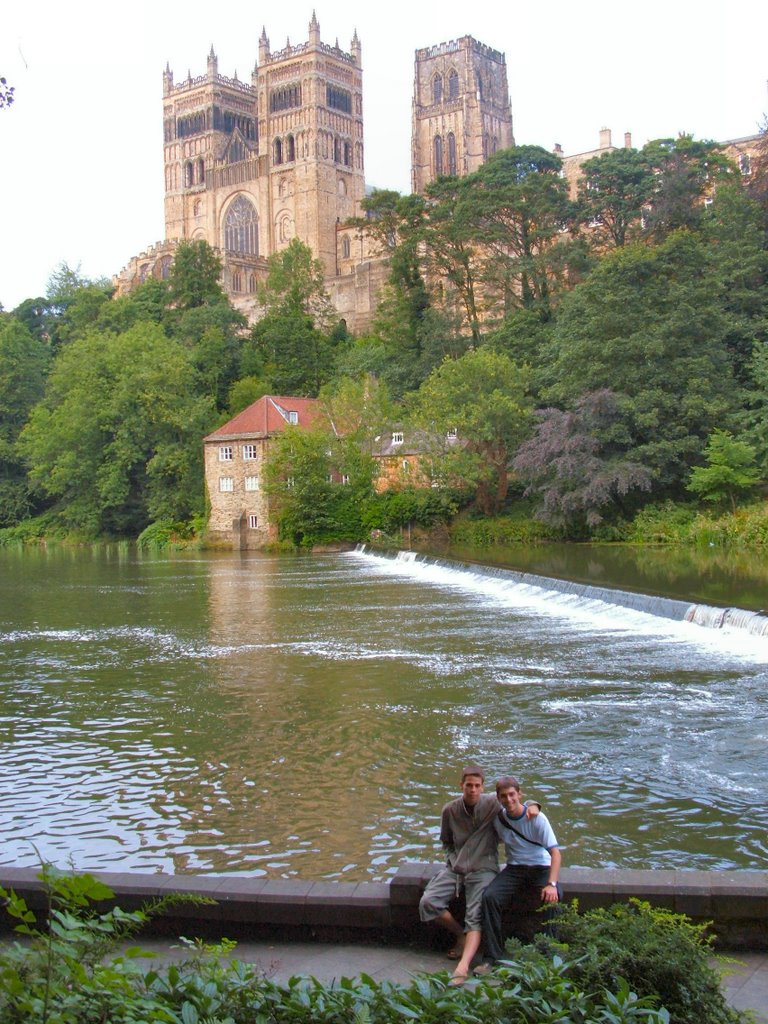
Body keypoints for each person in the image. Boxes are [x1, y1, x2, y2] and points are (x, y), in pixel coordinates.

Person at [419, 766, 540, 985]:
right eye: (469, 785)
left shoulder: (493, 804)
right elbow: (446, 842)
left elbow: (515, 803)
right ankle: (460, 934)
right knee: (428, 902)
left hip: (483, 868)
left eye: (477, 786)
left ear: (483, 788)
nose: (473, 790)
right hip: (455, 869)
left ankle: (463, 966)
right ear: (461, 786)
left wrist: (533, 805)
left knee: (474, 916)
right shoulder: (450, 810)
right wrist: (453, 860)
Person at [475, 775, 561, 975]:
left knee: (554, 899)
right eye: (503, 796)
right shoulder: (498, 818)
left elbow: (555, 853)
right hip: (515, 868)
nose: (509, 800)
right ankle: (491, 958)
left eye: (512, 794)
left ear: (520, 794)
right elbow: (478, 796)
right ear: (498, 798)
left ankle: (550, 956)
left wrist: (552, 883)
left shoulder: (537, 818)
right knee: (490, 898)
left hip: (541, 867)